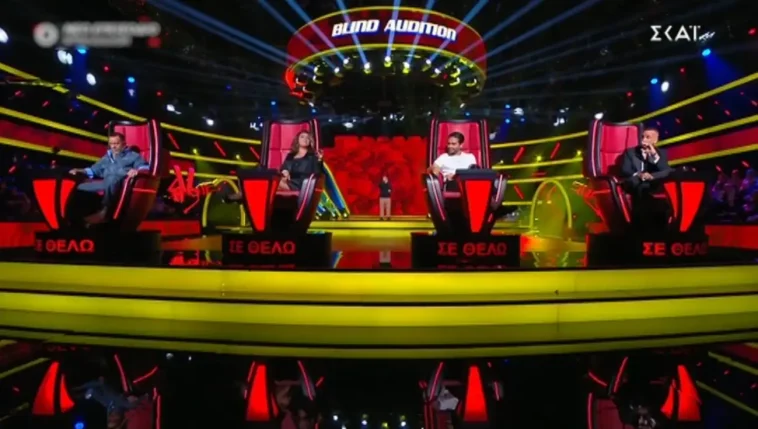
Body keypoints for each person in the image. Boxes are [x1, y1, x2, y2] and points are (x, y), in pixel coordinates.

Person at [69, 132, 149, 225]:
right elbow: (94, 170)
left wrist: (137, 170)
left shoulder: (133, 156)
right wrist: (80, 170)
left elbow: (145, 167)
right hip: (106, 183)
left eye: (116, 143)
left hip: (121, 184)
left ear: (124, 144)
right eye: (111, 144)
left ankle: (105, 212)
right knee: (79, 187)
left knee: (112, 178)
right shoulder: (107, 157)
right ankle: (77, 215)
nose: (113, 146)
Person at [225, 131, 323, 203]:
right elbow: (285, 168)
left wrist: (319, 160)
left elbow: (317, 172)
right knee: (262, 177)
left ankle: (242, 195)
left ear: (310, 141)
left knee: (270, 179)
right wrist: (285, 172)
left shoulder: (312, 157)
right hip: (286, 181)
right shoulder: (291, 155)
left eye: (308, 138)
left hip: (301, 184)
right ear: (297, 140)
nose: (305, 139)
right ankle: (244, 193)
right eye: (302, 137)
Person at [620, 127, 671, 229]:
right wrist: (639, 175)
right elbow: (625, 170)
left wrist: (654, 155)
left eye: (648, 137)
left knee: (670, 172)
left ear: (655, 140)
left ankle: (660, 224)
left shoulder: (661, 153)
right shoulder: (630, 152)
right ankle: (640, 225)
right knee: (642, 187)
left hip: (653, 181)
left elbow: (665, 170)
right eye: (642, 137)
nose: (643, 139)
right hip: (636, 181)